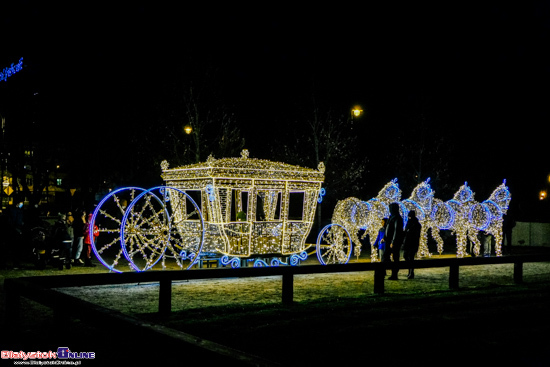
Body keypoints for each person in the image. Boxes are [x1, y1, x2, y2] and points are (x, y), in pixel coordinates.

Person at [385, 203, 404, 280]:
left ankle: (394, 273)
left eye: (391, 208)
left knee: (395, 257)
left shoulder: (397, 218)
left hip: (393, 241)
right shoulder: (391, 217)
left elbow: (397, 231)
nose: (390, 210)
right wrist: (384, 237)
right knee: (386, 256)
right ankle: (392, 270)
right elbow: (387, 227)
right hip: (388, 240)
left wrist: (393, 241)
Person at [402, 210, 421, 279]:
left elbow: (415, 234)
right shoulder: (409, 222)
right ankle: (410, 270)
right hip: (408, 243)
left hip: (412, 243)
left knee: (411, 257)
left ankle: (411, 272)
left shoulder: (416, 224)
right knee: (406, 256)